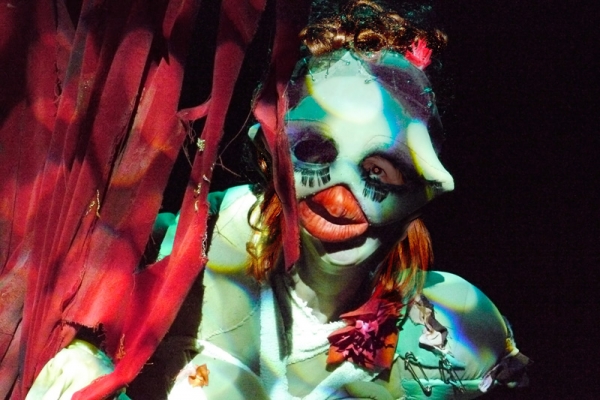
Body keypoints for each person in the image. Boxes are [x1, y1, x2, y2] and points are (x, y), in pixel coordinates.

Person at [28, 1, 529, 399]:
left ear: (426, 187)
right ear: (270, 152)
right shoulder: (188, 247)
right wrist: (77, 356)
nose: (341, 190)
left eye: (381, 169)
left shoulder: (461, 331)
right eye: (314, 150)